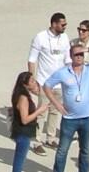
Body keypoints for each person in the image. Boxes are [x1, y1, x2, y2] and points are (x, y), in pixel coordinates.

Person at [45, 39, 89, 172]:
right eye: (76, 55)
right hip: (69, 119)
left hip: (86, 118)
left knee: (85, 150)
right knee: (63, 150)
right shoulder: (63, 72)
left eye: (81, 54)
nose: (79, 57)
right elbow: (47, 85)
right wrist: (57, 104)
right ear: (71, 57)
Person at [28, 13, 71, 153]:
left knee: (55, 111)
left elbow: (68, 58)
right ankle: (37, 140)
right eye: (62, 24)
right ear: (54, 24)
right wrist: (33, 81)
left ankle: (51, 138)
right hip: (44, 82)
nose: (65, 26)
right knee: (42, 111)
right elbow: (32, 60)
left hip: (60, 83)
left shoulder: (64, 37)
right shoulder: (40, 37)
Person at [9, 71, 47, 172]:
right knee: (18, 164)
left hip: (22, 132)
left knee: (20, 163)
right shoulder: (23, 98)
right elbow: (25, 119)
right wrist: (39, 111)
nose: (34, 82)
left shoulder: (21, 94)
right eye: (31, 81)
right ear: (25, 84)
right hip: (23, 133)